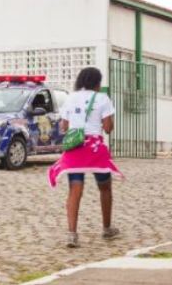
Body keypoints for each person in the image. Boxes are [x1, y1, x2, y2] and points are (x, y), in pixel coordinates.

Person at [47, 67, 122, 248]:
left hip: (76, 147)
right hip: (95, 148)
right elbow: (108, 128)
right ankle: (106, 228)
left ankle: (72, 234)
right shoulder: (103, 99)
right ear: (97, 82)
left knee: (75, 189)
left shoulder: (71, 98)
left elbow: (65, 126)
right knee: (105, 187)